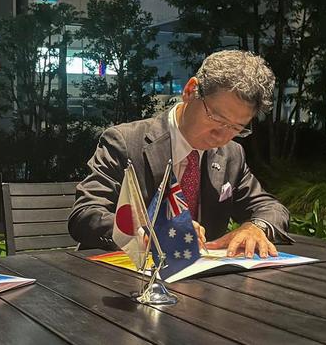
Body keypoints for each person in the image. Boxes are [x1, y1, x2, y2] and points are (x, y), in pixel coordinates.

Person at [69, 50, 293, 259]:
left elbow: (270, 208)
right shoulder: (126, 142)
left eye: (237, 128)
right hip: (119, 279)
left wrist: (256, 227)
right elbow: (86, 213)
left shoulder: (231, 154)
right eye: (216, 118)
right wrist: (146, 230)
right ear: (190, 91)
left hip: (200, 281)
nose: (222, 136)